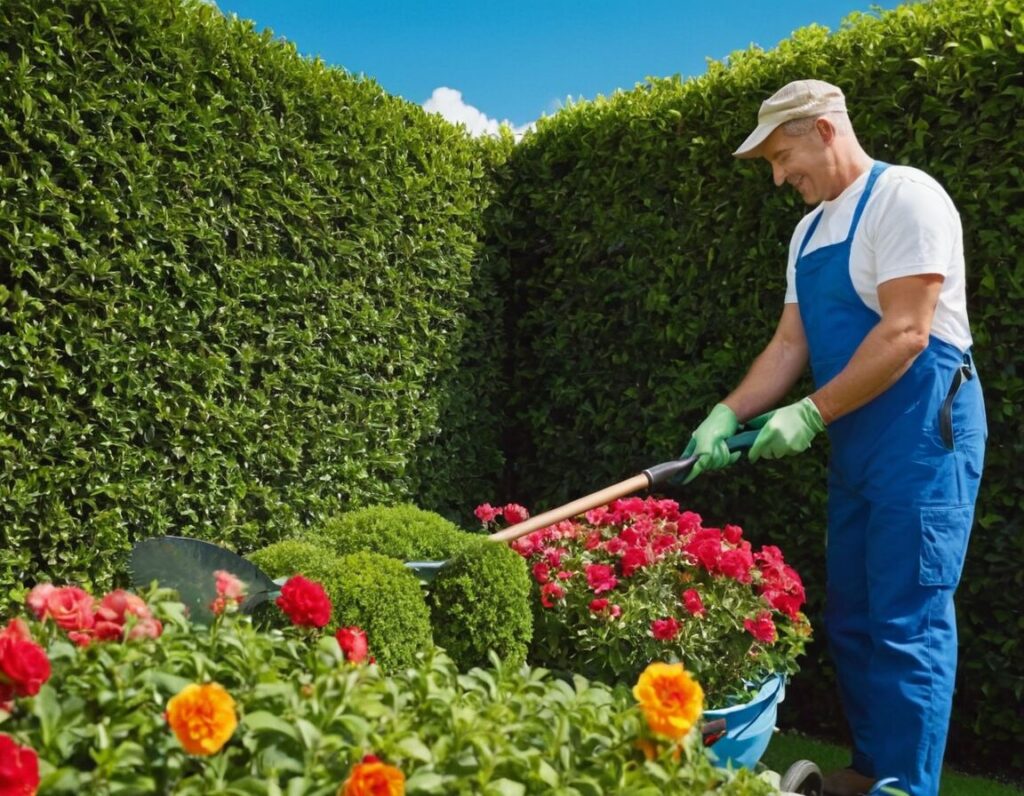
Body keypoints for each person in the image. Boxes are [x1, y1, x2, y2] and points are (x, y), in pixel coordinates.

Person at [681, 80, 986, 796]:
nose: (781, 176)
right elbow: (791, 344)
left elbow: (907, 332)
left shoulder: (907, 198)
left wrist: (811, 414)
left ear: (824, 129)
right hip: (858, 441)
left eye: (784, 157)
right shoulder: (810, 231)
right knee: (853, 613)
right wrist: (728, 413)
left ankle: (906, 786)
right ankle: (871, 767)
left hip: (923, 434)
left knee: (907, 617)